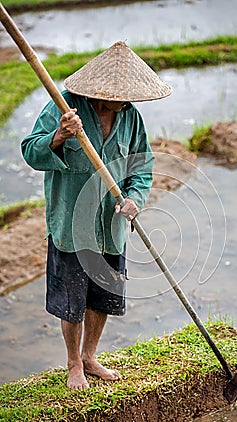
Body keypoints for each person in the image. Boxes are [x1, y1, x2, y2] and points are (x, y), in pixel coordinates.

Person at [21, 41, 172, 390]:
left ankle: (90, 356)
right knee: (72, 301)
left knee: (102, 295)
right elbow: (30, 150)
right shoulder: (64, 107)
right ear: (97, 91)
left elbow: (142, 165)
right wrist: (59, 135)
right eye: (118, 96)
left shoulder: (130, 117)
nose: (123, 103)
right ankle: (73, 362)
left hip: (110, 226)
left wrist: (135, 197)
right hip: (72, 226)